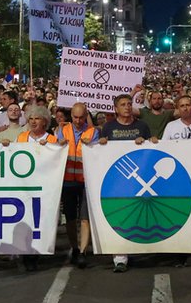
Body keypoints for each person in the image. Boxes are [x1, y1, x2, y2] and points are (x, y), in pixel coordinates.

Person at [99, 94, 157, 273]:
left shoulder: (141, 126)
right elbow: (102, 152)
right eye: (123, 104)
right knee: (120, 215)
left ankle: (141, 247)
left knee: (139, 215)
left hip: (140, 179)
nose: (126, 107)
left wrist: (149, 141)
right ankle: (119, 257)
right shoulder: (108, 127)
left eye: (129, 104)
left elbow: (151, 149)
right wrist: (102, 143)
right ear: (115, 109)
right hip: (116, 180)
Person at [60, 102, 98, 269]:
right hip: (67, 181)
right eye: (75, 117)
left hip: (86, 181)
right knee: (70, 218)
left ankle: (82, 251)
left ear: (86, 115)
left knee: (84, 218)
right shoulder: (62, 130)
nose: (78, 120)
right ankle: (74, 247)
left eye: (81, 117)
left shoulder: (94, 132)